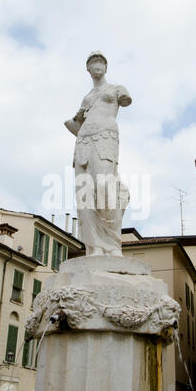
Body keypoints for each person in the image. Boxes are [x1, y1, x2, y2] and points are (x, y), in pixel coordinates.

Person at [64, 51, 132, 257]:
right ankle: (94, 247)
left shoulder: (117, 89)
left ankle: (112, 245)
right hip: (84, 141)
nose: (96, 66)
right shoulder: (87, 98)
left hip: (105, 138)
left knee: (105, 187)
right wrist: (75, 119)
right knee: (85, 194)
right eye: (93, 63)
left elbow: (126, 100)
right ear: (88, 69)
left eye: (100, 62)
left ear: (106, 67)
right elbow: (76, 127)